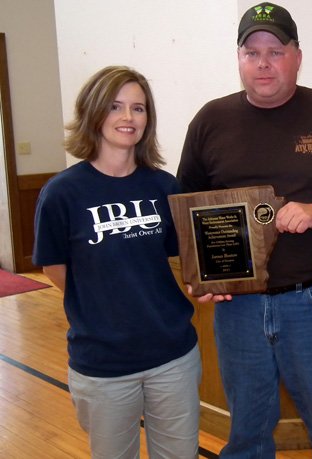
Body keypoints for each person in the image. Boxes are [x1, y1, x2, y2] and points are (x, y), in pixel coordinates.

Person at [176, 3, 312, 458]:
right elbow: (190, 213)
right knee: (246, 438)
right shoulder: (210, 121)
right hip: (239, 309)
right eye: (251, 51)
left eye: (275, 51)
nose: (262, 63)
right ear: (238, 58)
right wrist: (203, 277)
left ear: (297, 55)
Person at [33, 66, 201, 458]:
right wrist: (102, 303)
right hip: (103, 363)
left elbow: (181, 259)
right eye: (116, 106)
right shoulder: (62, 193)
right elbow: (54, 268)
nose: (128, 118)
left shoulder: (163, 186)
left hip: (173, 355)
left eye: (138, 108)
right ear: (94, 113)